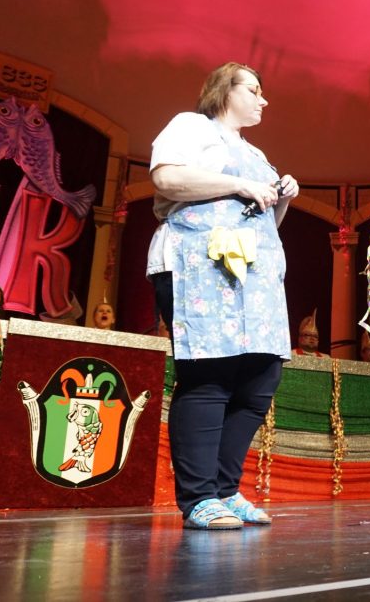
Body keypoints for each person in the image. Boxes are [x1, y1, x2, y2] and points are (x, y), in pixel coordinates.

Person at [146, 62, 299, 530]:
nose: (263, 100)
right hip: (199, 266)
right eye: (254, 89)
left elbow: (263, 221)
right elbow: (167, 179)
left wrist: (281, 197)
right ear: (224, 90)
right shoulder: (191, 127)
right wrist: (239, 183)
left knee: (260, 380)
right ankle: (199, 497)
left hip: (254, 276)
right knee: (208, 376)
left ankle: (226, 489)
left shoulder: (256, 153)